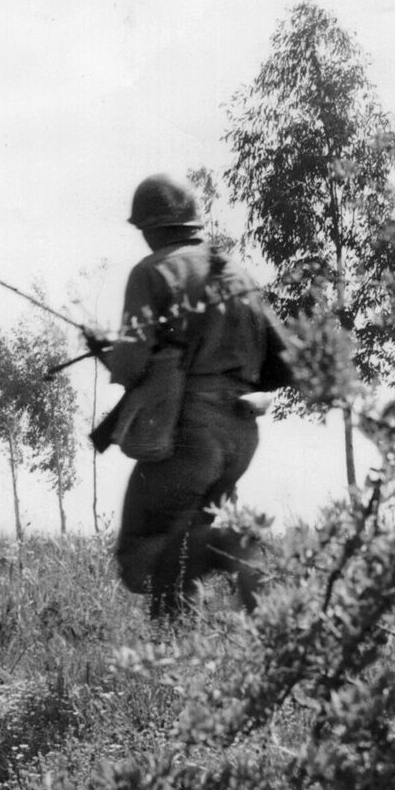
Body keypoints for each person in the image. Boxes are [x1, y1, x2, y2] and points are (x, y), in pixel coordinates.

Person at [92, 174, 292, 620]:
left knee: (140, 552)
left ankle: (232, 545)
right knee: (180, 548)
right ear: (193, 223)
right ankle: (177, 658)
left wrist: (104, 351)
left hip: (188, 433)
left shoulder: (153, 271)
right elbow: (287, 363)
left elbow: (131, 366)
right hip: (240, 433)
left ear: (147, 227)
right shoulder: (239, 274)